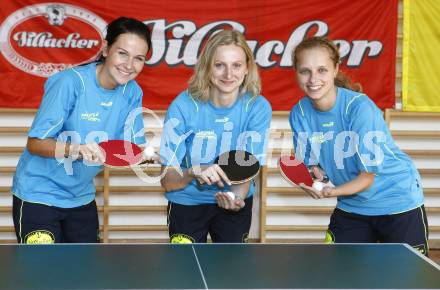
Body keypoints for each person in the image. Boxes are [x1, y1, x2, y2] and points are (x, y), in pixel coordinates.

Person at [11, 17, 153, 244]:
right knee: (41, 275)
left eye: (139, 59)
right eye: (122, 53)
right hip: (39, 195)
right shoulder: (70, 82)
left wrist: (149, 156)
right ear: (106, 49)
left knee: (84, 274)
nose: (129, 65)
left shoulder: (132, 92)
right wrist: (76, 149)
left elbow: (129, 149)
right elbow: (36, 143)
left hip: (81, 198)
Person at [289, 36, 429, 255]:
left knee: (408, 280)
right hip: (352, 206)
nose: (313, 79)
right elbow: (313, 165)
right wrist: (316, 180)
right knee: (336, 273)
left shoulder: (359, 108)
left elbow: (367, 177)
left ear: (335, 69)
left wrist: (330, 191)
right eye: (305, 71)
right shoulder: (300, 113)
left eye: (322, 70)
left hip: (397, 202)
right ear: (296, 73)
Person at [159, 29, 272, 243]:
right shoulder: (183, 106)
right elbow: (167, 181)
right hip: (187, 201)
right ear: (206, 67)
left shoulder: (258, 107)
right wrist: (193, 172)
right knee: (186, 270)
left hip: (234, 200)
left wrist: (236, 198)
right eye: (219, 65)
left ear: (247, 67)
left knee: (230, 272)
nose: (228, 75)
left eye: (236, 65)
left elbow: (247, 167)